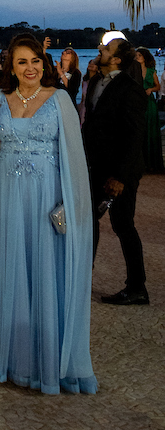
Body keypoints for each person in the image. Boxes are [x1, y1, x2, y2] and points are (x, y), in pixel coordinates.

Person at [0, 34, 97, 394]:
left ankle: (45, 360)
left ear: (43, 62)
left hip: (46, 199)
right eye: (22, 62)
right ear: (11, 67)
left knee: (44, 270)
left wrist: (72, 204)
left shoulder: (60, 99)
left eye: (35, 60)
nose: (30, 68)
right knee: (9, 270)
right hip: (5, 197)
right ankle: (11, 354)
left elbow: (75, 159)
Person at [83, 36, 149, 305]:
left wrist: (120, 177)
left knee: (123, 226)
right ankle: (83, 275)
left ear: (117, 59)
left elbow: (134, 138)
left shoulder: (130, 89)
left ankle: (137, 287)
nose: (100, 48)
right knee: (88, 222)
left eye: (106, 48)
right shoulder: (97, 81)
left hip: (120, 173)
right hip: (96, 167)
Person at [136, 48, 164, 172]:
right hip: (137, 102)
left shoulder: (151, 71)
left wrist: (150, 90)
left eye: (140, 55)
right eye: (136, 55)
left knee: (150, 128)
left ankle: (152, 162)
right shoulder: (134, 71)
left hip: (149, 102)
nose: (137, 57)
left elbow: (158, 86)